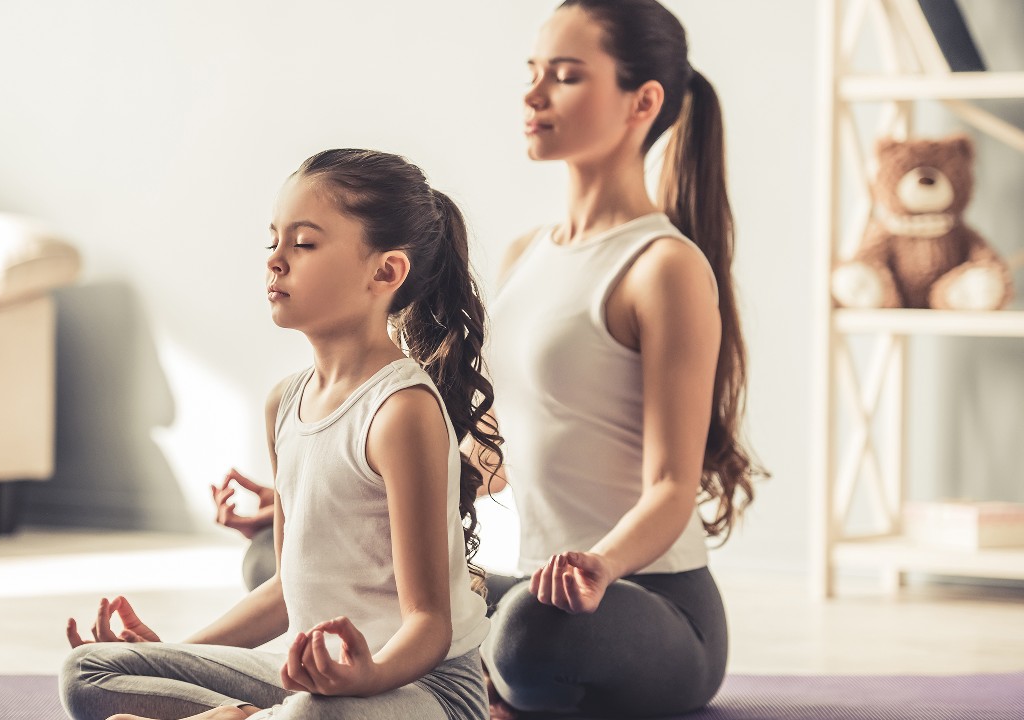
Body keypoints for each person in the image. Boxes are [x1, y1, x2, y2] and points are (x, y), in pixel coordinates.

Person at [214, 1, 763, 717]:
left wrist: (600, 566)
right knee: (281, 568)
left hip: (646, 601)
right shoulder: (526, 255)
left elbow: (669, 486)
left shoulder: (664, 266)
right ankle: (452, 690)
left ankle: (468, 688)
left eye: (564, 76)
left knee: (528, 634)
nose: (533, 95)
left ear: (643, 102)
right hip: (537, 586)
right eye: (533, 73)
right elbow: (492, 450)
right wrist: (320, 498)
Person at [59, 148, 503, 720]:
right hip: (319, 684)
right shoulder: (284, 403)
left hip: (427, 688)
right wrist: (169, 651)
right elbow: (283, 589)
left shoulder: (401, 411)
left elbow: (428, 626)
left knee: (315, 715)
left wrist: (366, 676)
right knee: (92, 669)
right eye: (273, 241)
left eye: (305, 243)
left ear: (386, 271)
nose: (276, 261)